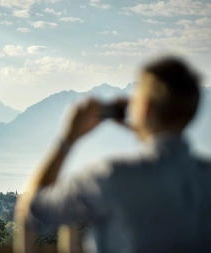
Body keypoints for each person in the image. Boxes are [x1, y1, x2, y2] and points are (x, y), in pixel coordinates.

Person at [14, 56, 211, 253]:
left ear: (146, 108)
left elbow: (32, 213)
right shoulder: (204, 175)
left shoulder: (109, 176)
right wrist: (145, 126)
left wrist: (69, 137)